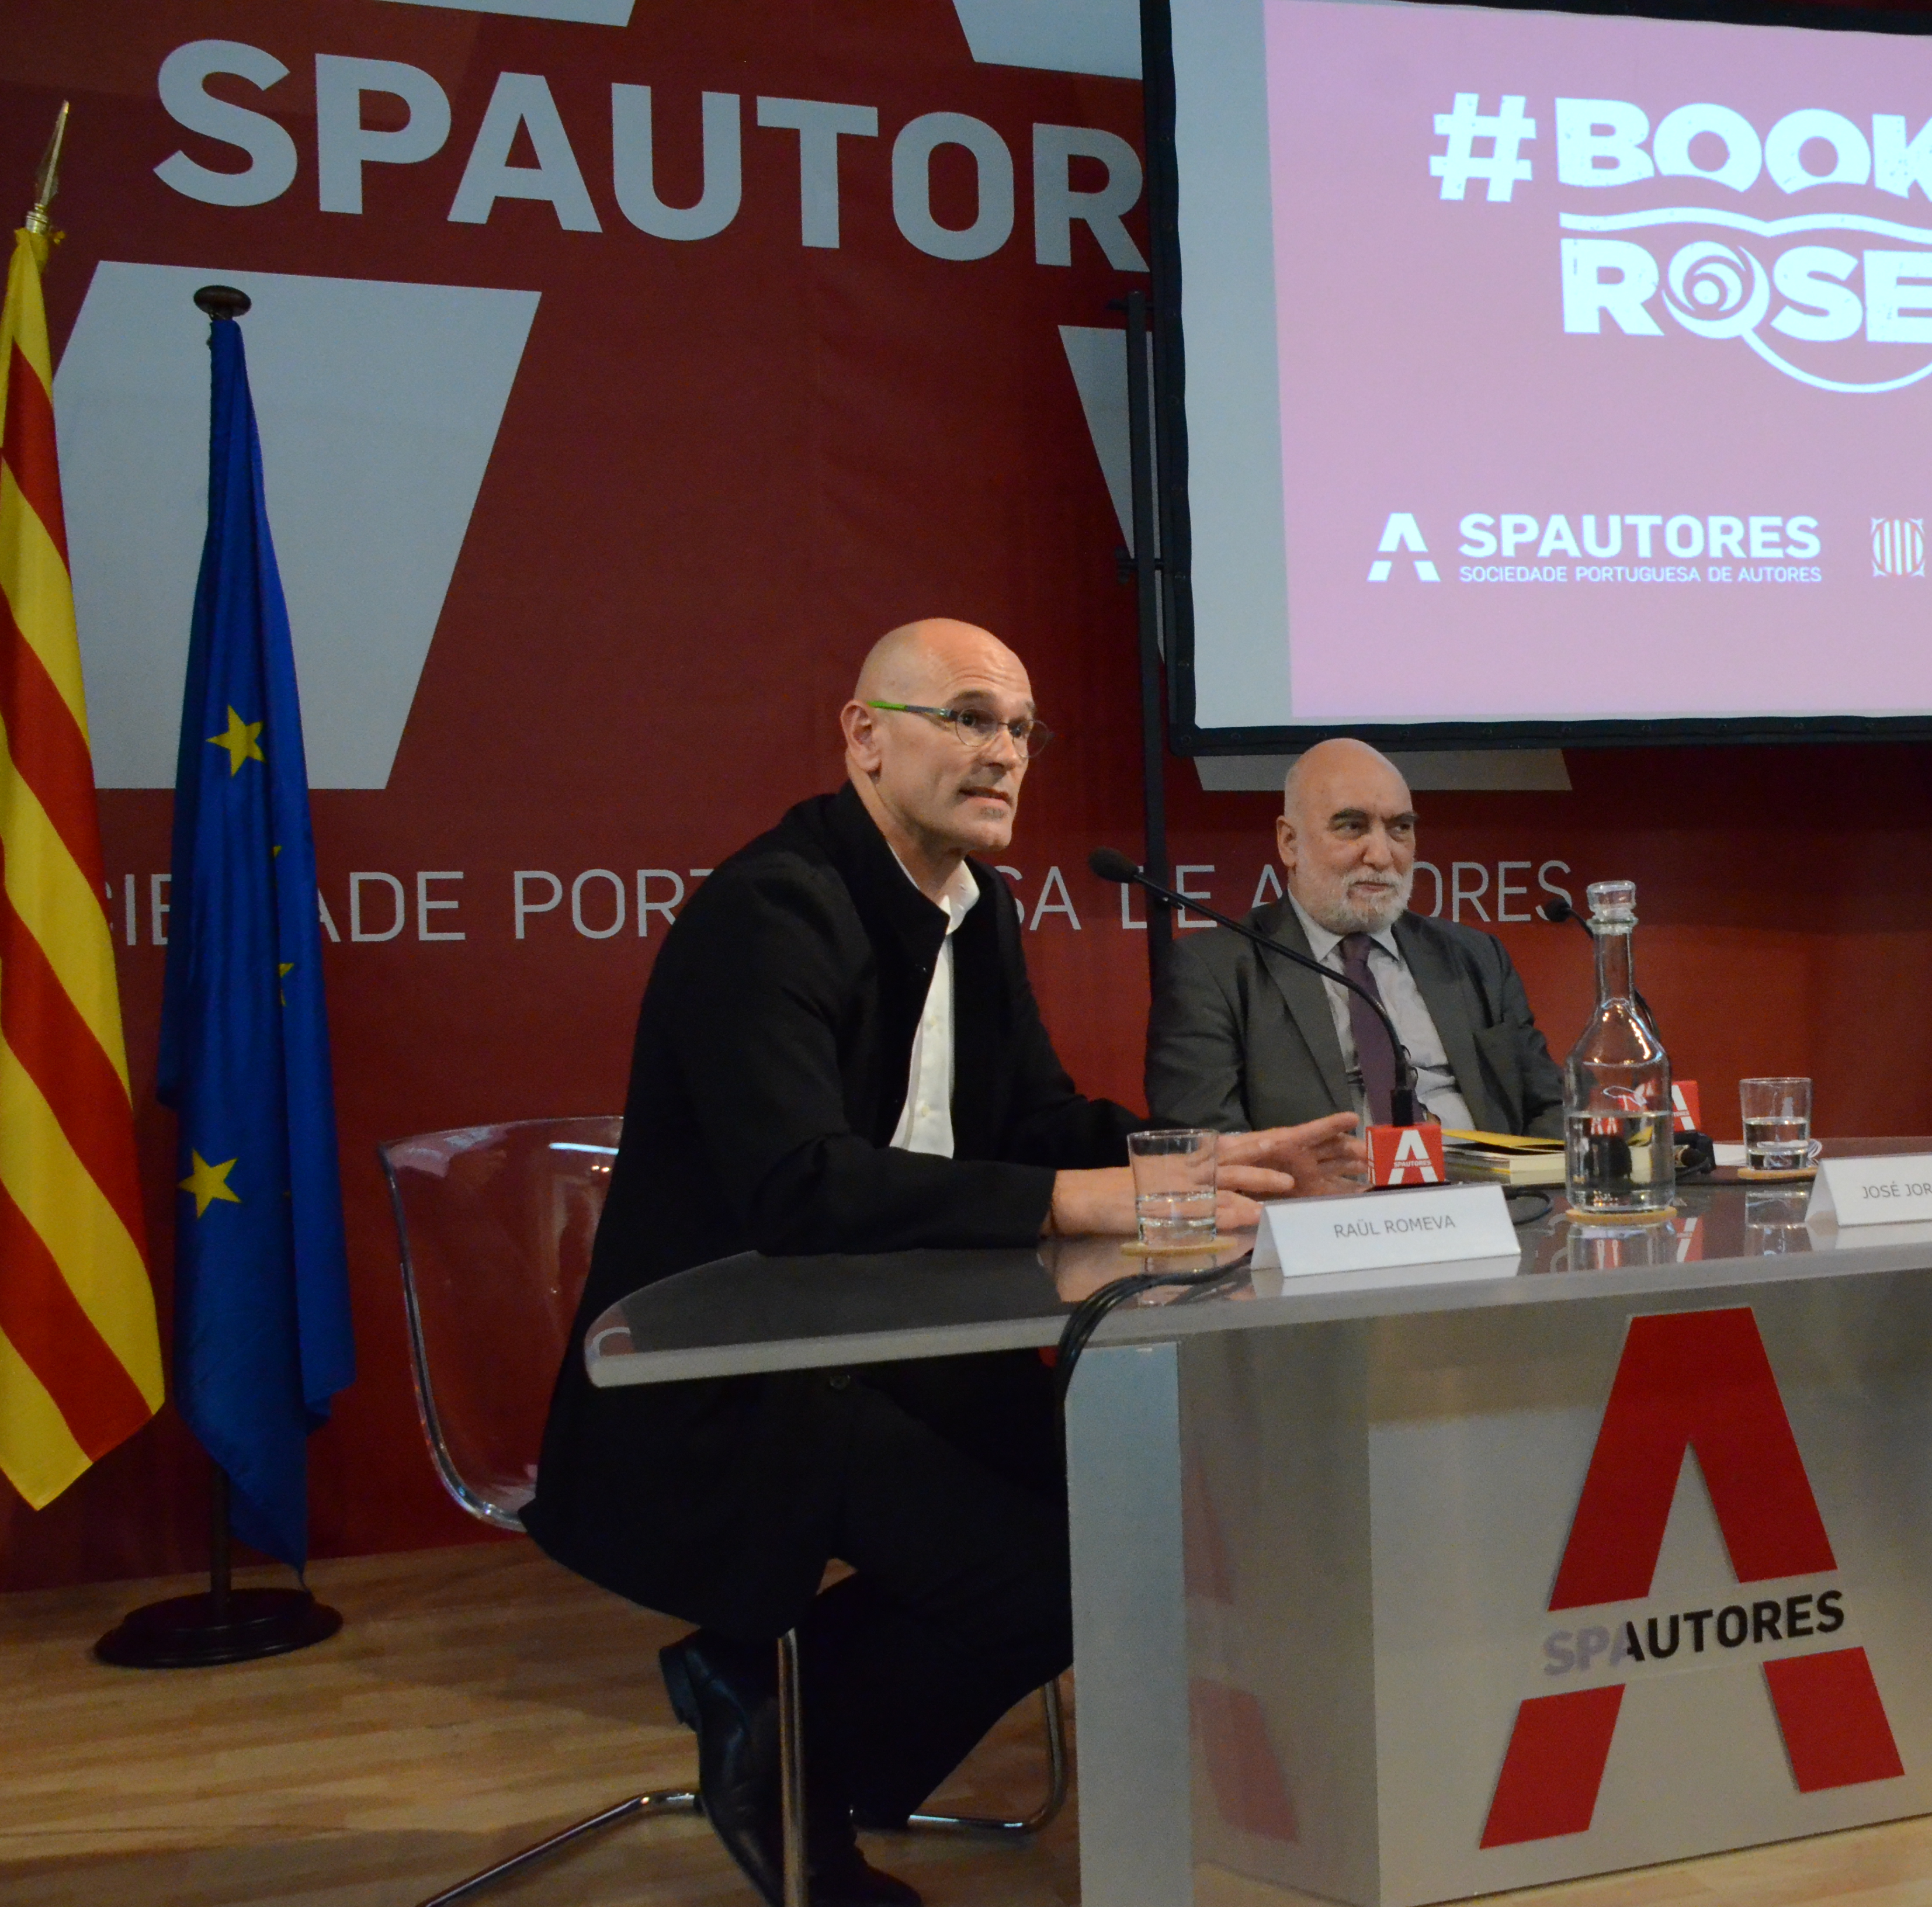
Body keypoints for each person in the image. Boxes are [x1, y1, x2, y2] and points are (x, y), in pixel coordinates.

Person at [522, 620, 1361, 1907]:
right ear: (864, 738)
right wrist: (1086, 1195)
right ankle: (781, 1759)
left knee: (1130, 1516)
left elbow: (1032, 1124)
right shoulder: (772, 910)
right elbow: (798, 1186)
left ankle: (767, 1706)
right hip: (723, 1373)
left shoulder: (979, 906)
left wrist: (1214, 1157)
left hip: (884, 1346)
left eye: (1021, 729)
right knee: (1043, 1575)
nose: (1003, 754)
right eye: (968, 717)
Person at [1146, 737, 1566, 1137]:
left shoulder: (1476, 957)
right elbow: (1205, 1147)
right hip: (1320, 1206)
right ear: (1290, 842)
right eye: (1352, 827)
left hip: (1491, 1200)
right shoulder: (1214, 972)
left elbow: (1552, 1108)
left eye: (1400, 828)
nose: (1381, 856)